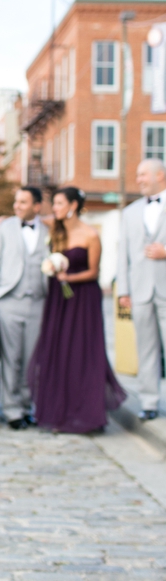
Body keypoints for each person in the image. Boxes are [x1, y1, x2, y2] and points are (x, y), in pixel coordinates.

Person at [28, 187, 126, 433]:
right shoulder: (54, 229)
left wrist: (68, 277)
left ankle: (87, 415)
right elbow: (31, 219)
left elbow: (95, 272)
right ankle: (59, 412)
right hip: (58, 300)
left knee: (83, 352)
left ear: (72, 205)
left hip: (83, 299)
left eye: (59, 203)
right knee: (58, 351)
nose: (55, 208)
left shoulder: (91, 235)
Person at [0, 186, 48, 430]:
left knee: (33, 360)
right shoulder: (2, 229)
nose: (17, 206)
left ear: (37, 206)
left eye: (23, 202)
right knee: (11, 359)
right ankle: (12, 411)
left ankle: (28, 406)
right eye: (16, 201)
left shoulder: (48, 231)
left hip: (39, 303)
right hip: (9, 302)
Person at [117, 158, 166, 421]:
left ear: (160, 175)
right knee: (146, 348)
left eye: (143, 175)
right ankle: (149, 402)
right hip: (140, 291)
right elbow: (123, 254)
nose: (138, 180)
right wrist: (124, 290)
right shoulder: (130, 212)